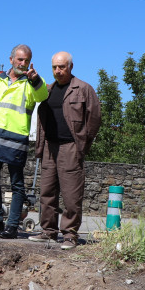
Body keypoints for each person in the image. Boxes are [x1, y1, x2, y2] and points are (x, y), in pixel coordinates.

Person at [0, 44, 49, 239]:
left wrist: (35, 79)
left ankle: (12, 225)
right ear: (11, 60)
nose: (23, 64)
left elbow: (43, 96)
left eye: (26, 61)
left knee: (17, 185)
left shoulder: (31, 83)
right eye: (19, 60)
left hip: (15, 141)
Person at [31, 51, 101, 249]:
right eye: (54, 67)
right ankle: (48, 231)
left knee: (71, 194)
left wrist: (82, 145)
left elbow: (94, 119)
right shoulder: (48, 90)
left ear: (70, 66)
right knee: (47, 192)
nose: (58, 71)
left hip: (71, 146)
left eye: (61, 67)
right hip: (49, 147)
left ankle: (70, 234)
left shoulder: (84, 89)